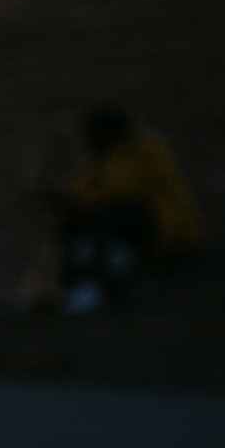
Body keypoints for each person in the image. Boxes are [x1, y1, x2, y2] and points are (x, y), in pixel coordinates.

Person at [58, 104, 202, 312]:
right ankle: (66, 284)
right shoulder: (101, 158)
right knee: (69, 221)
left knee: (111, 214)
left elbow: (123, 190)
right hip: (120, 227)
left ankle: (97, 285)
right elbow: (82, 193)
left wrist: (82, 200)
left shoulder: (145, 152)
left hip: (161, 227)